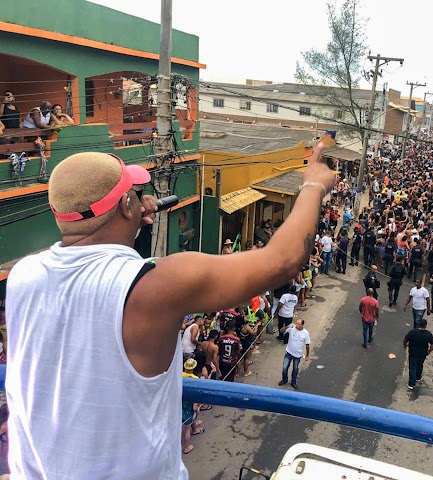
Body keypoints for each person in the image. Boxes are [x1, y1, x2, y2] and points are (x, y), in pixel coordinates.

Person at [4, 146, 335, 478]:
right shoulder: (155, 286)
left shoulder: (23, 275)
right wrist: (313, 185)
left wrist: (129, 224)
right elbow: (285, 259)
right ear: (125, 205)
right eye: (136, 194)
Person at [403, 318, 433, 390]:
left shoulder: (413, 332)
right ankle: (418, 376)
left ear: (419, 324)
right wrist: (429, 351)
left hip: (413, 353)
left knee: (412, 367)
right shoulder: (428, 334)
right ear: (425, 325)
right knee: (420, 365)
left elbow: (405, 339)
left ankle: (412, 383)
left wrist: (405, 345)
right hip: (423, 353)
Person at [279, 319, 311, 390]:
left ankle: (293, 382)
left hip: (297, 355)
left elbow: (307, 345)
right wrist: (287, 326)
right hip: (289, 352)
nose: (297, 325)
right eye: (296, 323)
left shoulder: (305, 333)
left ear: (302, 325)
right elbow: (281, 331)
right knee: (285, 367)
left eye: (298, 324)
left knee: (295, 369)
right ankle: (284, 379)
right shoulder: (292, 329)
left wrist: (307, 355)